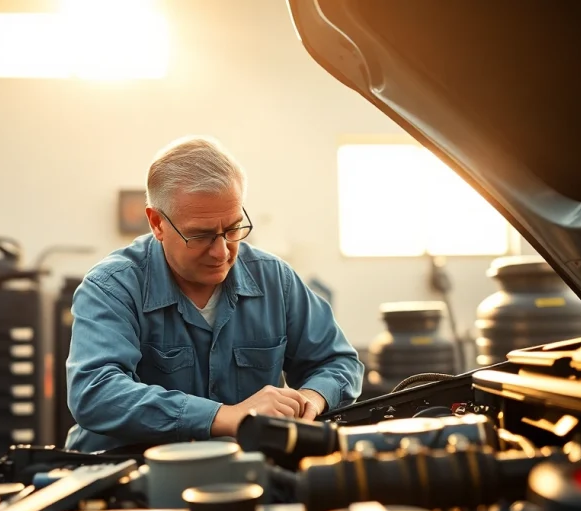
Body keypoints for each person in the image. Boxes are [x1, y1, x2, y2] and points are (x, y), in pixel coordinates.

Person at [64, 136, 363, 453]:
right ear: (157, 223)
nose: (221, 252)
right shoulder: (113, 286)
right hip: (121, 476)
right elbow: (95, 392)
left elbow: (337, 361)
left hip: (243, 474)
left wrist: (307, 403)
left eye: (233, 228)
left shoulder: (274, 279)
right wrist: (228, 417)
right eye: (201, 235)